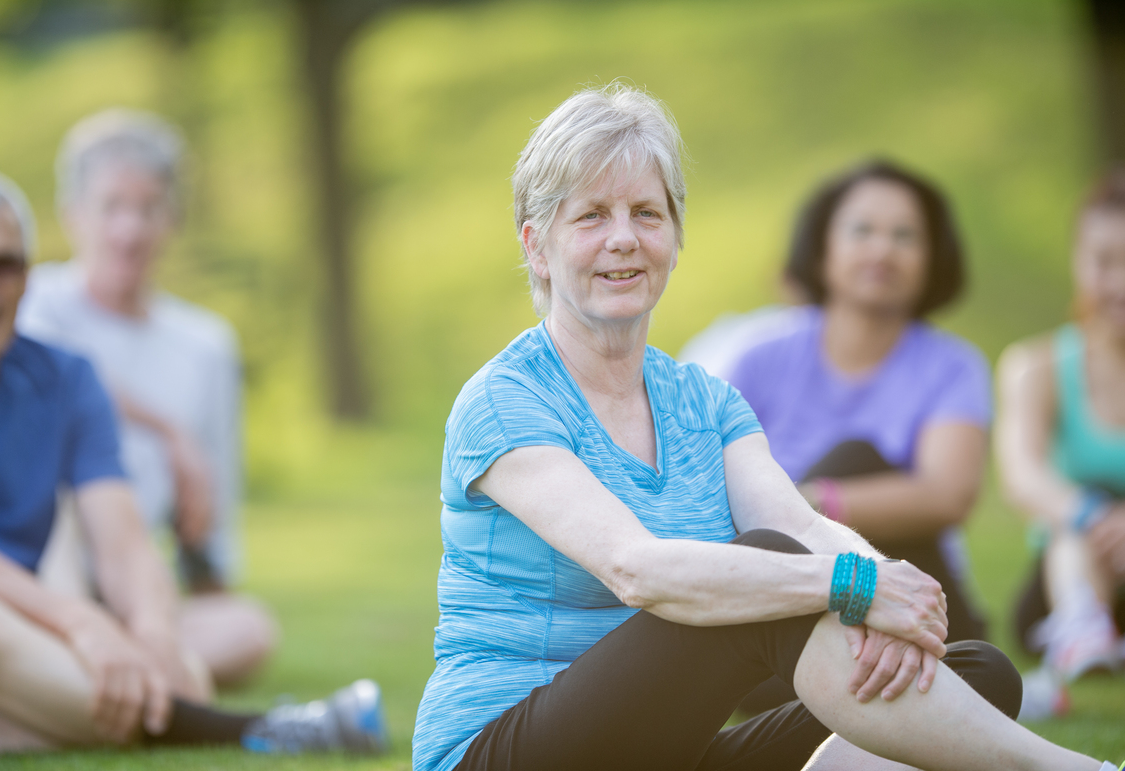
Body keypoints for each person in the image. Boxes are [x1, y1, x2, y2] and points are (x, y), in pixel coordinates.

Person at [411, 84, 1121, 771]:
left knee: (975, 674)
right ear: (538, 246)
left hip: (663, 749)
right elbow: (637, 568)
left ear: (675, 235)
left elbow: (804, 525)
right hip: (501, 748)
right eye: (592, 215)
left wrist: (880, 584)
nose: (623, 238)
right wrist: (850, 583)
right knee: (771, 576)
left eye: (646, 214)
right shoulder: (506, 399)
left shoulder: (705, 402)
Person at [0, 161, 386, 755]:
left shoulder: (67, 378)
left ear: (26, 278)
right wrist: (82, 623)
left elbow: (121, 539)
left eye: (5, 263)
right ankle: (252, 731)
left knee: (187, 660)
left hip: (9, 644)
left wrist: (153, 632)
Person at [706, 161, 992, 714]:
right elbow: (705, 478)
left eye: (904, 235)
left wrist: (811, 505)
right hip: (791, 596)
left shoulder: (953, 367)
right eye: (862, 230)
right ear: (822, 248)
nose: (882, 250)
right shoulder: (761, 357)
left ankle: (887, 671)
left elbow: (947, 495)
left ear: (933, 257)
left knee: (854, 458)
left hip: (911, 582)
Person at [15, 109, 276, 688]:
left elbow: (209, 509)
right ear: (73, 214)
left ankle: (117, 665)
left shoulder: (205, 345)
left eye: (148, 208)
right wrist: (170, 430)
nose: (129, 230)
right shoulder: (32, 302)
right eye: (112, 206)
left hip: (133, 594)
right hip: (40, 576)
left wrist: (205, 588)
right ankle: (94, 657)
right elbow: (65, 378)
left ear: (173, 218)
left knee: (248, 630)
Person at [997, 168, 1125, 714]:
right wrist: (1097, 520)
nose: (1119, 284)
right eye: (1104, 263)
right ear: (1078, 262)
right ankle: (1082, 630)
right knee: (1070, 520)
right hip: (1070, 565)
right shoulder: (1037, 365)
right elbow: (1022, 474)